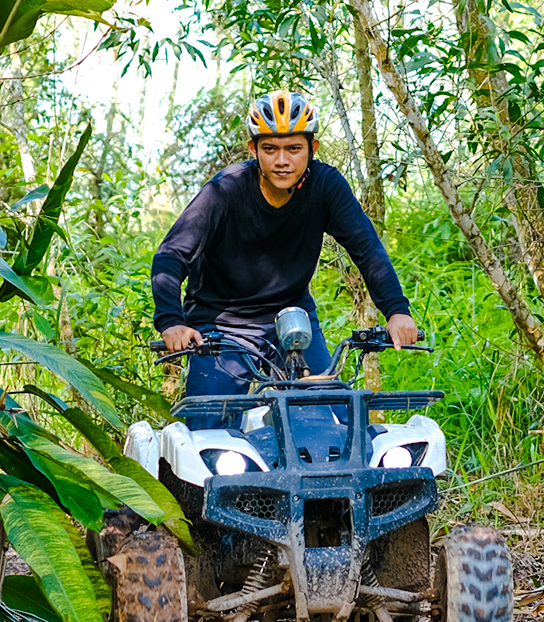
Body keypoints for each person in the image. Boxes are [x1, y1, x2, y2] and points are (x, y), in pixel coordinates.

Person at [151, 90, 418, 404]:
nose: (282, 160)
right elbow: (171, 256)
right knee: (209, 424)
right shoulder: (226, 190)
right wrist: (172, 322)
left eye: (293, 148)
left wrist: (397, 312)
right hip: (221, 325)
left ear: (312, 148)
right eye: (270, 148)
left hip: (292, 318)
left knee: (330, 416)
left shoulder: (326, 186)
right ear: (253, 150)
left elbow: (367, 249)